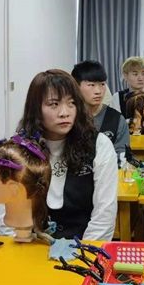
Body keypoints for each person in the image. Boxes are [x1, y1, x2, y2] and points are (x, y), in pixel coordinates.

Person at [19, 69, 117, 240]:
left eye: (71, 103)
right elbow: (9, 213)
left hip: (83, 245)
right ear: (35, 109)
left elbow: (104, 214)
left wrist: (84, 251)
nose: (65, 113)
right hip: (31, 245)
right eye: (54, 104)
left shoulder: (99, 144)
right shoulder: (20, 149)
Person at [71, 60, 129, 165]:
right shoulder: (68, 117)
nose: (98, 91)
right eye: (91, 85)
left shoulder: (117, 119)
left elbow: (122, 157)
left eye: (102, 84)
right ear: (76, 86)